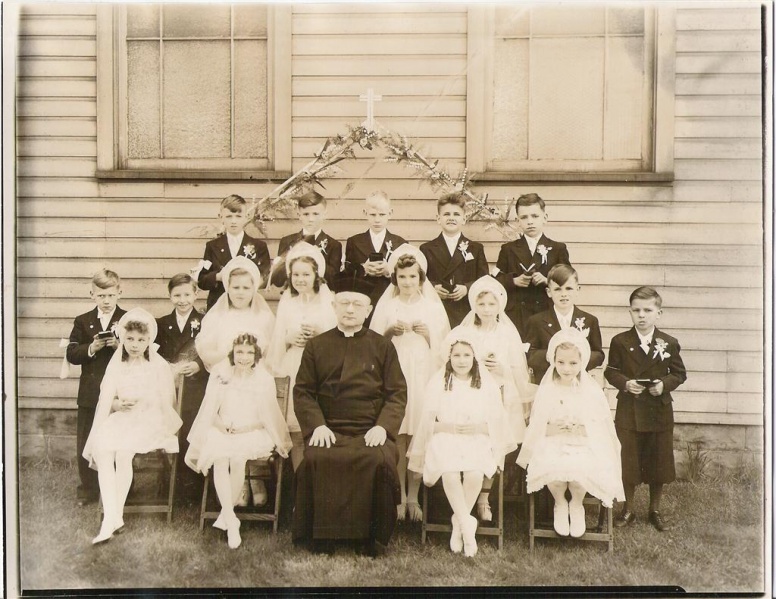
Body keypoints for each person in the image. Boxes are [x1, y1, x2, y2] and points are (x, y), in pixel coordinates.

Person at [292, 272, 407, 557]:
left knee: (377, 459)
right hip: (329, 429)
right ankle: (323, 537)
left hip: (370, 429)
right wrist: (316, 426)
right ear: (334, 306)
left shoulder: (383, 346)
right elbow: (303, 392)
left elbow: (396, 394)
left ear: (368, 310)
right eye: (344, 303)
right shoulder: (316, 346)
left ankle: (372, 539)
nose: (350, 310)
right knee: (318, 457)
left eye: (357, 304)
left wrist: (383, 427)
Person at [83, 308, 182, 545]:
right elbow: (107, 398)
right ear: (122, 339)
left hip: (149, 420)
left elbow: (165, 400)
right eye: (130, 339)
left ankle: (111, 519)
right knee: (104, 450)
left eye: (140, 340)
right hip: (123, 418)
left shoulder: (156, 365)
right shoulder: (117, 364)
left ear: (149, 341)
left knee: (124, 453)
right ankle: (113, 517)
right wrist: (118, 404)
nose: (135, 345)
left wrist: (143, 403)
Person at [408, 336, 514, 557]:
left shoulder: (486, 384)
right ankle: (468, 525)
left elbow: (497, 424)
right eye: (456, 355)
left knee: (475, 473)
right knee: (450, 473)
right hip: (446, 437)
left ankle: (459, 526)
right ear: (449, 357)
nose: (462, 360)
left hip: (477, 438)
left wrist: (477, 427)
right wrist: (450, 426)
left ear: (474, 357)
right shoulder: (439, 382)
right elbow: (428, 425)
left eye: (467, 355)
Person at [186, 332, 292, 549]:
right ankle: (231, 520)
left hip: (252, 430)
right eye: (239, 352)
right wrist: (220, 426)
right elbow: (209, 410)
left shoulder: (263, 379)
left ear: (256, 355)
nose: (244, 357)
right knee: (220, 458)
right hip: (222, 428)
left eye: (249, 353)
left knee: (236, 459)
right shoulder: (221, 375)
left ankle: (227, 517)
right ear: (232, 354)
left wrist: (243, 428)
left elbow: (267, 417)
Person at [441, 275, 534, 521]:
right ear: (474, 305)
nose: (486, 310)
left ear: (500, 306)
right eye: (481, 304)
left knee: (495, 443)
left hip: (500, 393)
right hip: (469, 395)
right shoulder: (464, 331)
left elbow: (516, 370)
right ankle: (461, 498)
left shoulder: (506, 333)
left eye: (492, 305)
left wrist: (500, 369)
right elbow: (449, 363)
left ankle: (483, 497)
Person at [369, 243, 450, 521]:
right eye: (402, 277)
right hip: (395, 371)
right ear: (395, 279)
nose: (407, 282)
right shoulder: (388, 306)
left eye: (412, 277)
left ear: (421, 279)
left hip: (423, 372)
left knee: (418, 432)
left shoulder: (431, 307)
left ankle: (414, 496)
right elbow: (372, 345)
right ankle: (398, 496)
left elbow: (447, 349)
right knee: (399, 435)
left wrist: (429, 335)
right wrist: (390, 332)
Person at [517, 329, 624, 538]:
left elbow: (600, 426)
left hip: (582, 442)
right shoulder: (547, 390)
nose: (567, 368)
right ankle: (560, 503)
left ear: (581, 362)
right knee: (554, 471)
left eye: (573, 363)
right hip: (552, 440)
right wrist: (551, 428)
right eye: (561, 362)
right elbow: (537, 424)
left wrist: (581, 428)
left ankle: (576, 505)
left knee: (578, 474)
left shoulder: (590, 391)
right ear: (554, 361)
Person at [604, 287, 687, 532]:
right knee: (628, 459)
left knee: (658, 460)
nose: (642, 315)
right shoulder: (620, 341)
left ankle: (655, 510)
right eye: (636, 310)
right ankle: (628, 508)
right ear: (629, 312)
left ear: (658, 313)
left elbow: (679, 373)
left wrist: (664, 385)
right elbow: (611, 371)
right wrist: (625, 383)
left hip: (658, 410)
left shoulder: (669, 343)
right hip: (630, 409)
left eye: (648, 310)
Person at [196, 256, 275, 506]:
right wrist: (227, 356)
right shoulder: (218, 316)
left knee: (251, 424)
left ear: (254, 288)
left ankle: (255, 479)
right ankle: (237, 483)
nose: (240, 292)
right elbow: (205, 350)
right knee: (228, 425)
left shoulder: (263, 316)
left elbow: (272, 351)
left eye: (246, 287)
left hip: (254, 381)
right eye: (235, 287)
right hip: (225, 381)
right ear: (227, 288)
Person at [266, 242, 337, 470]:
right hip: (294, 364)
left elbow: (338, 340)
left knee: (319, 428)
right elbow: (278, 339)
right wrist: (291, 339)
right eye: (295, 274)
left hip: (322, 368)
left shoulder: (330, 303)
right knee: (296, 429)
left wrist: (317, 337)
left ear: (316, 275)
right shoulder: (288, 303)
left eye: (306, 274)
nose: (300, 279)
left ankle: (320, 482)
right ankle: (299, 485)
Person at [66, 269, 127, 507]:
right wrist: (91, 347)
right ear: (92, 295)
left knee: (118, 440)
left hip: (119, 390)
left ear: (119, 294)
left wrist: (117, 345)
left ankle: (120, 488)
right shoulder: (82, 321)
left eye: (111, 295)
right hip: (90, 391)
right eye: (101, 296)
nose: (106, 300)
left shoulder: (127, 319)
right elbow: (71, 353)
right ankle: (89, 490)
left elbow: (141, 350)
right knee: (86, 440)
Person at [155, 273, 208, 502]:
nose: (182, 300)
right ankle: (169, 486)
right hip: (169, 386)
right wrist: (167, 367)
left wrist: (198, 365)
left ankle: (191, 488)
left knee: (189, 430)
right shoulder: (161, 323)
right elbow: (154, 354)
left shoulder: (205, 322)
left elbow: (212, 352)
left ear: (196, 294)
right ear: (170, 296)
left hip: (195, 386)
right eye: (177, 295)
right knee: (169, 430)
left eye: (187, 294)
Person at [493, 193, 570, 337]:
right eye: (524, 217)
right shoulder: (508, 249)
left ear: (545, 218)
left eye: (535, 216)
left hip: (546, 312)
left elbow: (567, 280)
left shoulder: (558, 248)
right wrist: (513, 281)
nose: (530, 222)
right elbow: (495, 280)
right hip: (517, 315)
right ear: (518, 221)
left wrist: (547, 280)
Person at [525, 264, 604, 383]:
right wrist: (554, 358)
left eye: (569, 288)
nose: (563, 294)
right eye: (557, 289)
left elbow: (598, 355)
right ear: (548, 292)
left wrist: (577, 360)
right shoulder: (536, 321)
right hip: (548, 382)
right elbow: (530, 355)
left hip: (579, 382)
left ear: (577, 290)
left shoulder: (589, 320)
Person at [420, 192, 488, 328]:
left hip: (465, 310)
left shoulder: (476, 248)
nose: (451, 218)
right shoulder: (427, 249)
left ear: (464, 219)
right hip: (438, 309)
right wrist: (433, 288)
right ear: (438, 218)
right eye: (446, 214)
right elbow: (420, 280)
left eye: (456, 214)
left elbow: (484, 279)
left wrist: (467, 288)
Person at [197, 194, 271, 310]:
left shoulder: (258, 246)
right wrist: (218, 277)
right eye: (229, 216)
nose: (233, 221)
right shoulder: (212, 246)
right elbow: (201, 280)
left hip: (248, 304)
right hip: (218, 305)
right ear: (221, 217)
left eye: (238, 216)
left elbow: (266, 279)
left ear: (246, 217)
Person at [343, 190, 407, 319]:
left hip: (390, 298)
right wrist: (363, 269)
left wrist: (388, 271)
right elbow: (347, 275)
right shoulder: (354, 241)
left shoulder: (400, 243)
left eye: (382, 214)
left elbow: (406, 273)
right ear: (365, 213)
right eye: (372, 214)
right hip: (364, 298)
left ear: (390, 213)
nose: (377, 220)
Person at [273, 189, 343, 288]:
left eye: (316, 214)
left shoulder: (333, 245)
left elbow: (334, 281)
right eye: (306, 214)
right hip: (293, 296)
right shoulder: (287, 242)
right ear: (299, 215)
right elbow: (278, 281)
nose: (311, 219)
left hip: (321, 297)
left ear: (324, 215)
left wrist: (315, 255)